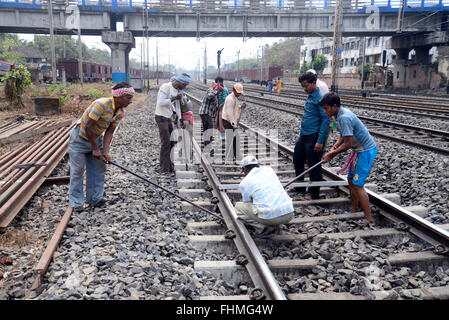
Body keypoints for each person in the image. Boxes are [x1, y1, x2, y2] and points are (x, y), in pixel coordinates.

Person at [68, 82, 135, 210]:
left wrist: (105, 152)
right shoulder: (102, 104)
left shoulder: (120, 112)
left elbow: (109, 132)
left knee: (98, 169)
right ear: (118, 97)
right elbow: (88, 126)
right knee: (77, 171)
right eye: (128, 97)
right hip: (79, 139)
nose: (131, 101)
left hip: (96, 138)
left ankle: (94, 198)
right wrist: (95, 148)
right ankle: (76, 203)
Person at [319, 93, 378, 227]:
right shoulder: (338, 115)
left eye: (326, 108)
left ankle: (369, 219)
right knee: (351, 180)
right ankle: (354, 209)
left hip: (366, 152)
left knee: (358, 184)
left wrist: (332, 153)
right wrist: (336, 146)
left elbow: (348, 144)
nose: (325, 111)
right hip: (358, 151)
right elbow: (343, 135)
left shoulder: (345, 117)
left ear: (334, 106)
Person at [235, 155, 294, 238]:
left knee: (239, 207)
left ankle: (264, 228)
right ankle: (277, 226)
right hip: (289, 214)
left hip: (271, 218)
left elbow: (247, 202)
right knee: (273, 198)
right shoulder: (269, 170)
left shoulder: (244, 182)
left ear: (245, 169)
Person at [293, 72, 330, 200]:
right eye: (302, 86)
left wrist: (320, 141)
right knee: (297, 159)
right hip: (304, 135)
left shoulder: (320, 98)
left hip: (313, 136)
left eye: (306, 86)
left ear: (314, 83)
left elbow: (325, 120)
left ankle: (314, 193)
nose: (304, 89)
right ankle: (300, 186)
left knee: (314, 164)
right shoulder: (310, 96)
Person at [155, 73, 190, 174]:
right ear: (180, 82)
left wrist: (180, 119)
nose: (185, 87)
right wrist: (174, 98)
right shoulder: (166, 86)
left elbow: (178, 106)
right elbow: (160, 102)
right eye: (185, 85)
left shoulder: (179, 90)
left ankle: (169, 166)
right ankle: (164, 168)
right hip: (161, 116)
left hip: (168, 117)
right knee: (165, 143)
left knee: (171, 142)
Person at [222, 82, 246, 162]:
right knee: (231, 139)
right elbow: (229, 113)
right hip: (227, 121)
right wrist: (234, 124)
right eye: (238, 93)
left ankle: (235, 157)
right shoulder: (230, 99)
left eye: (240, 93)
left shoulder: (234, 98)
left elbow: (234, 108)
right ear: (234, 91)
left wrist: (240, 107)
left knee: (235, 139)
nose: (239, 94)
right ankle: (230, 158)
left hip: (230, 121)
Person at [215, 76, 228, 142]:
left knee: (221, 123)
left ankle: (223, 138)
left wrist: (220, 105)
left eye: (217, 83)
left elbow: (225, 99)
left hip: (223, 109)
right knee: (218, 123)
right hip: (220, 109)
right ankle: (222, 136)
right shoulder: (220, 89)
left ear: (219, 82)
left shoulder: (224, 90)